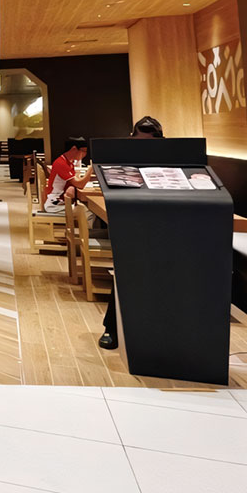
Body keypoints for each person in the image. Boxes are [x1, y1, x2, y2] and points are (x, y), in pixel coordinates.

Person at [99, 116, 164, 351]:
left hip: (164, 223)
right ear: (132, 139)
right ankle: (112, 327)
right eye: (141, 142)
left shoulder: (170, 159)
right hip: (131, 221)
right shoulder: (121, 158)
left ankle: (159, 330)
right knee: (125, 273)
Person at [41, 137, 91, 214]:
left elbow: (75, 180)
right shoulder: (61, 164)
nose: (85, 154)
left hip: (60, 201)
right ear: (74, 149)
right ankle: (80, 226)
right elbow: (80, 185)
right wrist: (90, 170)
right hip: (54, 204)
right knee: (89, 212)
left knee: (87, 208)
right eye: (83, 151)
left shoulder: (68, 162)